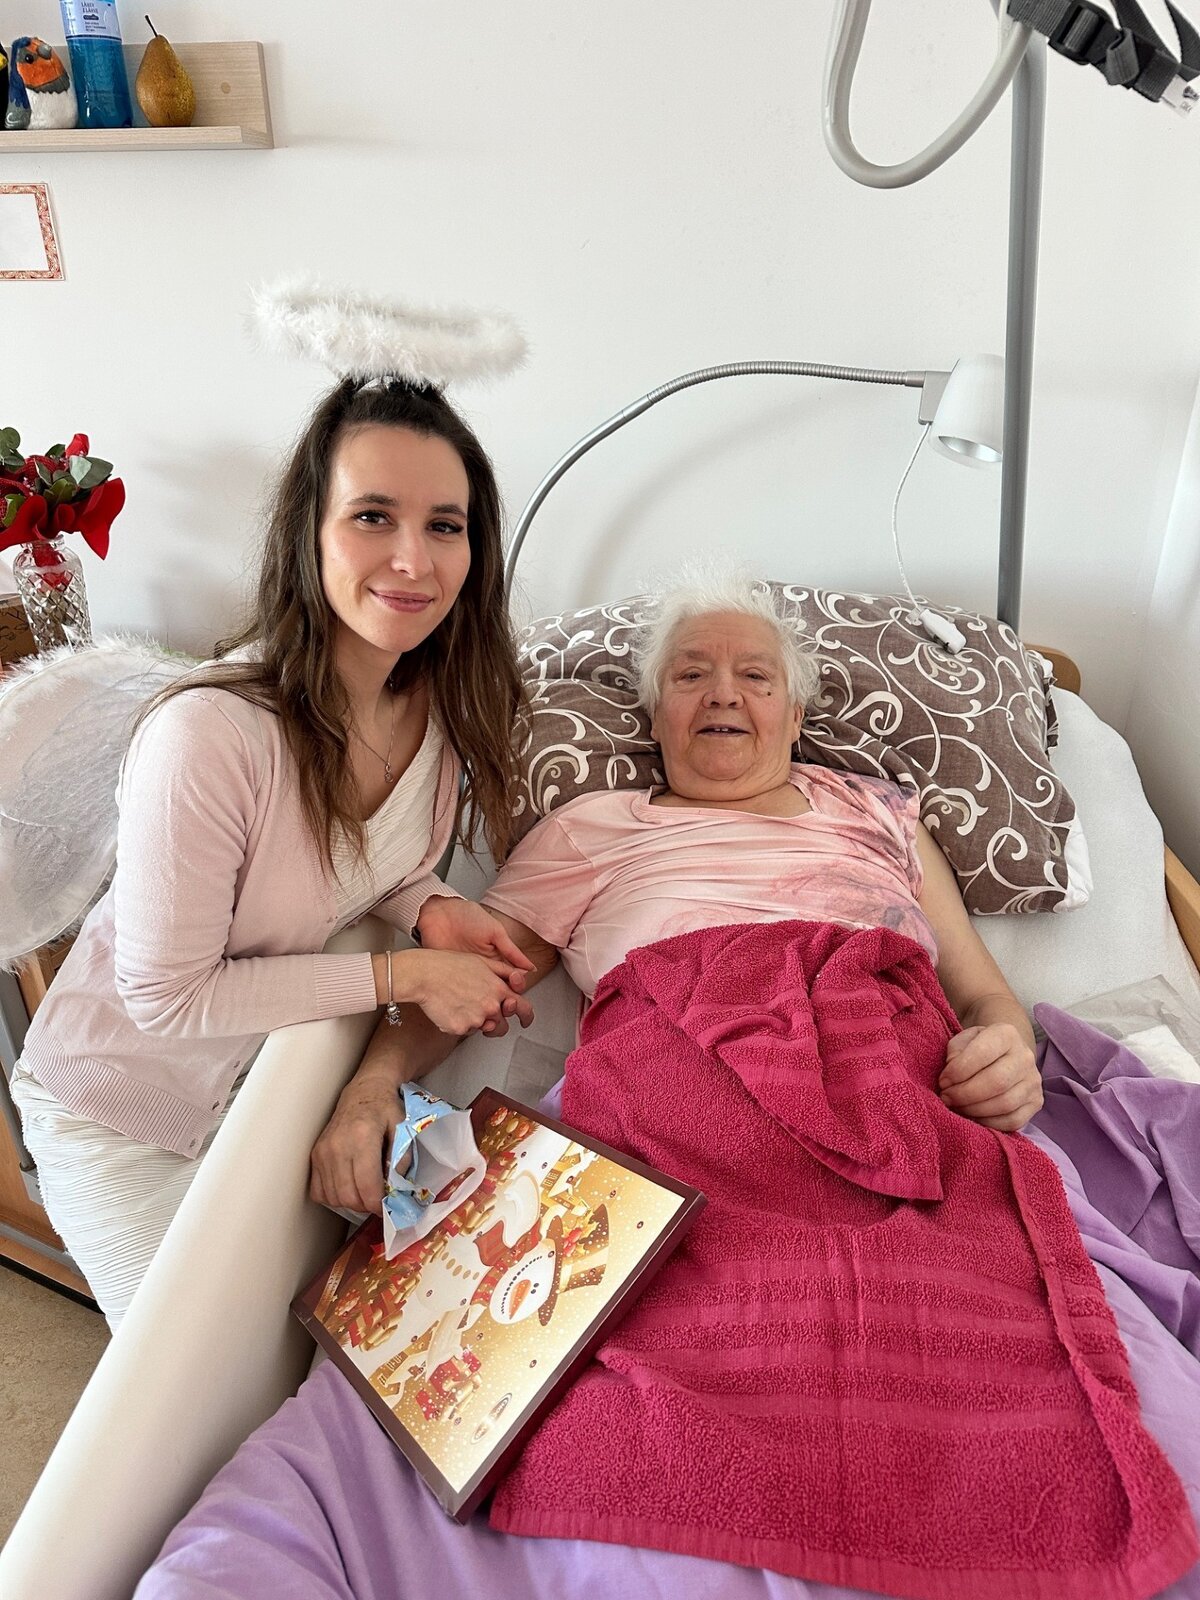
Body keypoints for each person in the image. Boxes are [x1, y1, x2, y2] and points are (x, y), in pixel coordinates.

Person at [11, 376, 535, 1328]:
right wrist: (408, 972)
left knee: (327, 1352)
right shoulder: (212, 733)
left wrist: (428, 904)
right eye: (373, 516)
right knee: (184, 1392)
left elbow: (361, 859)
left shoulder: (435, 710)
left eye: (445, 526)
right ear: (310, 532)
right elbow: (167, 998)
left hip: (262, 1088)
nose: (413, 559)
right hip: (117, 1110)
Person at [311, 572, 1042, 1215]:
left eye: (756, 676)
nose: (724, 692)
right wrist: (370, 1088)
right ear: (656, 714)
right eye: (691, 675)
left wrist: (1009, 1051)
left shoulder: (881, 815)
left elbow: (985, 997)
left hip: (897, 1103)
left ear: (795, 717)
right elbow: (464, 978)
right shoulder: (590, 830)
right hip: (676, 1134)